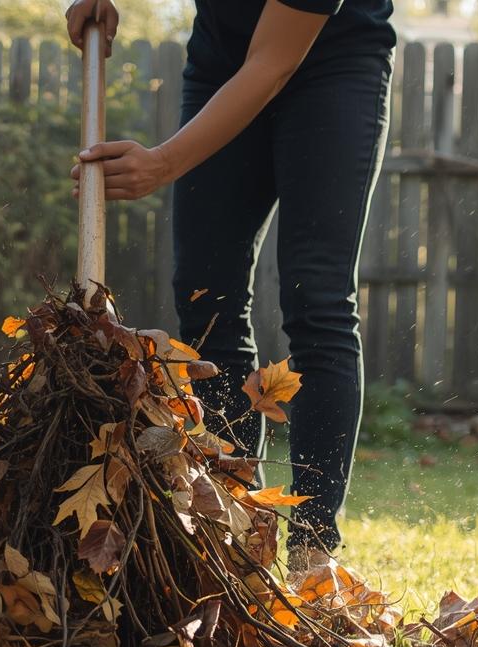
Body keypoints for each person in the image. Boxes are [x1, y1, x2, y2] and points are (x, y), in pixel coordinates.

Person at [66, 0, 394, 583]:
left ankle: (313, 555)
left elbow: (272, 64)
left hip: (332, 65)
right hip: (222, 56)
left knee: (316, 299)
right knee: (205, 301)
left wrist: (163, 163)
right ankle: (239, 535)